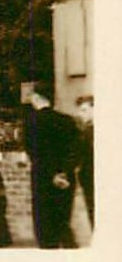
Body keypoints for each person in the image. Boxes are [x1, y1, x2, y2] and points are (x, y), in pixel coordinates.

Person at [25, 82, 80, 248]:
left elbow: (35, 153)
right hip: (66, 180)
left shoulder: (32, 122)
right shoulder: (67, 121)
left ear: (36, 97)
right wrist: (63, 172)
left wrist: (51, 175)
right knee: (63, 223)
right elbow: (75, 151)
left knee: (45, 229)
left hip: (43, 179)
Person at [76, 96, 95, 230]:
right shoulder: (86, 130)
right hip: (88, 177)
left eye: (84, 110)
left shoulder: (91, 131)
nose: (80, 114)